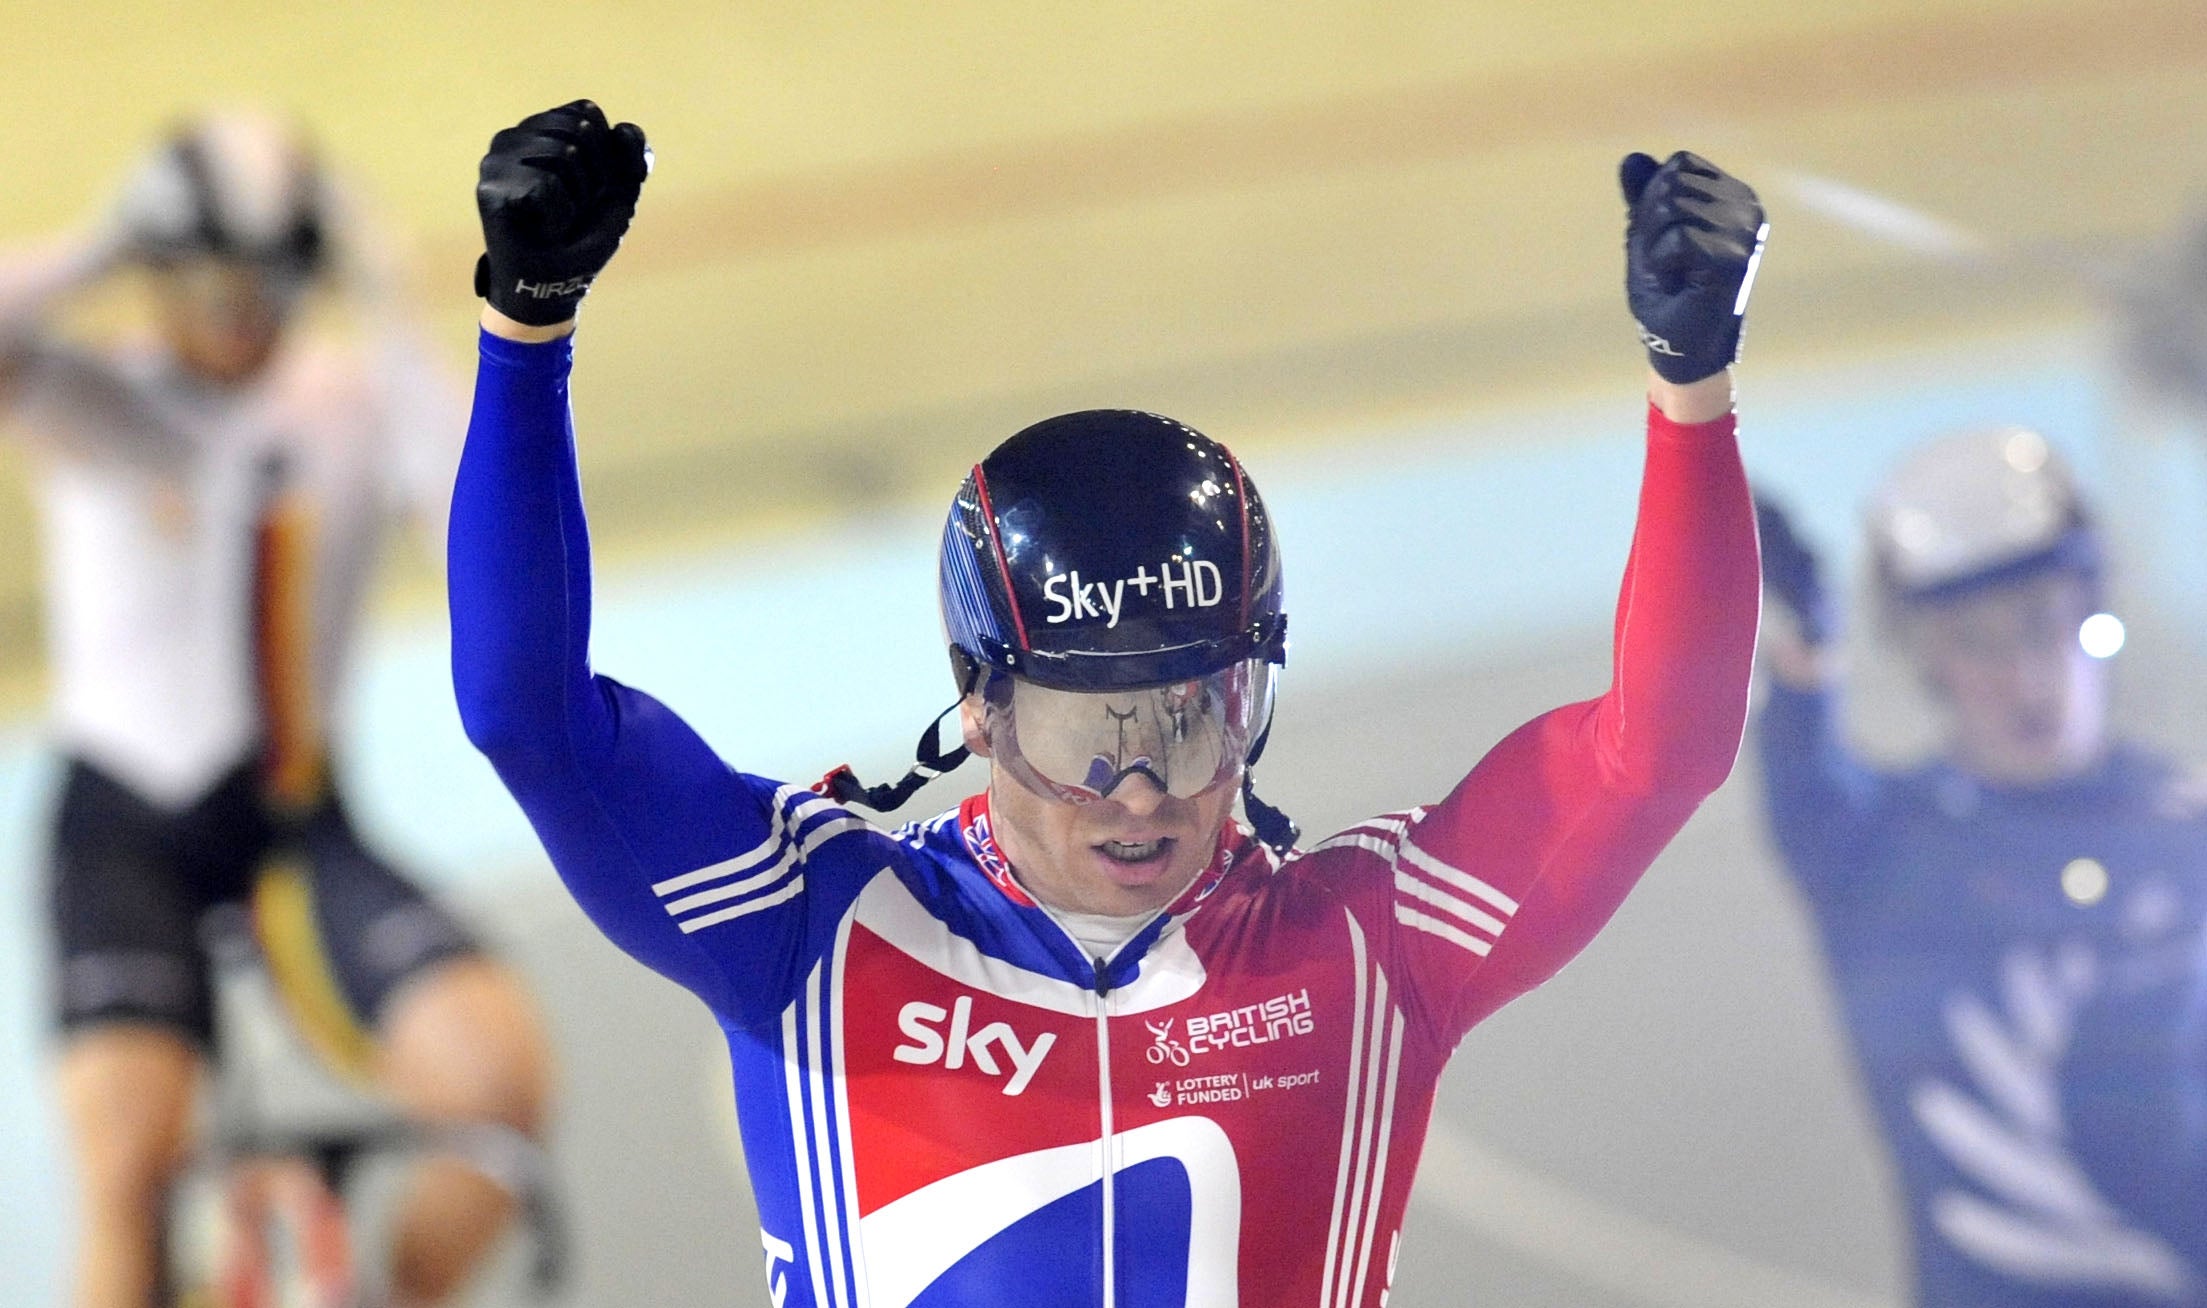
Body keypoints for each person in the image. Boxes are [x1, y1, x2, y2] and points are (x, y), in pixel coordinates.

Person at [451, 99, 1763, 1306]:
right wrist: (525, 328)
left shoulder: (1370, 942)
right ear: (977, 707)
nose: (1141, 794)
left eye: (1191, 720)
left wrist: (1686, 384)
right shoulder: (812, 925)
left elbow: (1655, 754)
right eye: (1087, 735)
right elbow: (528, 720)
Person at [0, 110, 551, 1307]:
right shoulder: (99, 396)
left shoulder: (344, 403)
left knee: (496, 1083)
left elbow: (483, 508)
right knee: (126, 1170)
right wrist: (99, 243)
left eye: (268, 283)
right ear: (155, 272)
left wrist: (388, 291)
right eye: (203, 280)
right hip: (122, 825)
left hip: (297, 825)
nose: (237, 314)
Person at [1757, 438, 2207, 1305]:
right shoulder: (1875, 851)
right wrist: (1807, 654)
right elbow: (1802, 778)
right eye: (1973, 641)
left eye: (2040, 622)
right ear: (1925, 659)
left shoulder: (2189, 826)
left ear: (2090, 613)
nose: (2021, 677)